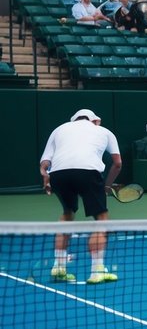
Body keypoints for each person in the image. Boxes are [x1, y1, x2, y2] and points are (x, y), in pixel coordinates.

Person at [39, 108, 122, 284]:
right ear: (95, 121)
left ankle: (59, 268)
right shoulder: (103, 131)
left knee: (67, 214)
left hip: (59, 174)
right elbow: (117, 163)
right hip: (88, 172)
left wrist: (46, 178)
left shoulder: (59, 129)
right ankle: (97, 271)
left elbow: (45, 163)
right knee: (101, 219)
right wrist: (106, 186)